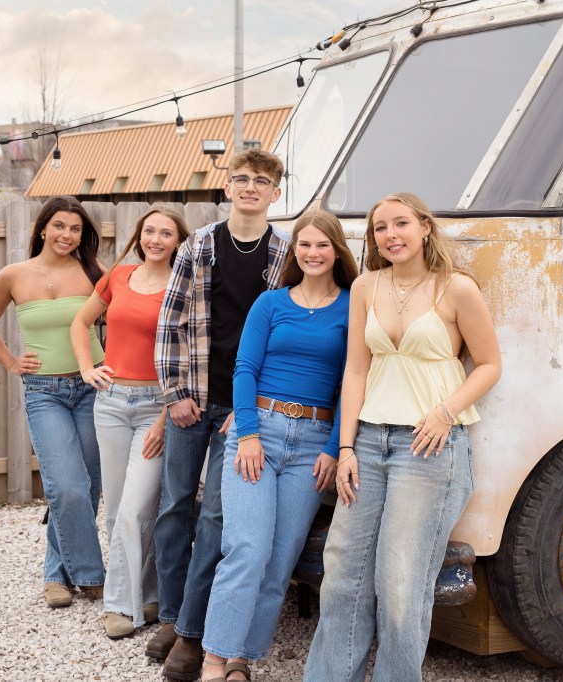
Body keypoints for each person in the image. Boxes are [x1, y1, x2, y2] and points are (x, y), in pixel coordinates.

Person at [304, 192, 501, 682]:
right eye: (380, 228)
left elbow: (491, 365)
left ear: (425, 228)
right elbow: (355, 371)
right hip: (368, 442)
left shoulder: (456, 289)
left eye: (401, 224)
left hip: (427, 448)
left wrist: (445, 411)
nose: (391, 235)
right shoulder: (368, 287)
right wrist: (345, 446)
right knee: (343, 577)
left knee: (401, 583)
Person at [200, 210, 358, 682]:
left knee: (280, 558)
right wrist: (247, 433)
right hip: (260, 433)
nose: (312, 253)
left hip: (313, 444)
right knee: (246, 548)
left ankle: (241, 660)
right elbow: (243, 369)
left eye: (322, 245)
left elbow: (351, 383)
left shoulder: (352, 306)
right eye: (304, 245)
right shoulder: (270, 304)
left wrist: (334, 446)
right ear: (295, 252)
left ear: (336, 252)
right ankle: (213, 659)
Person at [151, 149, 290, 681]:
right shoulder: (199, 245)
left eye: (261, 181)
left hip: (241, 406)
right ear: (227, 187)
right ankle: (170, 615)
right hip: (193, 398)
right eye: (241, 179)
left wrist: (249, 409)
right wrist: (176, 392)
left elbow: (279, 341)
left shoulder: (284, 254)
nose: (250, 188)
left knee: (215, 517)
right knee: (175, 506)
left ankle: (191, 634)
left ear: (275, 192)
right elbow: (171, 321)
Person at [70, 207, 190, 640]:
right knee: (119, 507)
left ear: (179, 241)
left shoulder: (186, 285)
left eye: (166, 233)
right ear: (140, 235)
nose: (156, 239)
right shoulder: (118, 277)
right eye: (150, 231)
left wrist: (164, 416)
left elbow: (189, 360)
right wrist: (89, 369)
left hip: (156, 408)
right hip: (111, 403)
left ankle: (120, 605)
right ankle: (148, 592)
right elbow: (81, 323)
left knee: (139, 506)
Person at [0, 195, 106, 609]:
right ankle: (92, 576)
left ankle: (55, 575)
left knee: (89, 486)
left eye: (76, 229)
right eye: (60, 226)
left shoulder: (94, 272)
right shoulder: (13, 274)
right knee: (66, 486)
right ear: (44, 227)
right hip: (44, 392)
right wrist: (11, 362)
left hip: (93, 387)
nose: (68, 235)